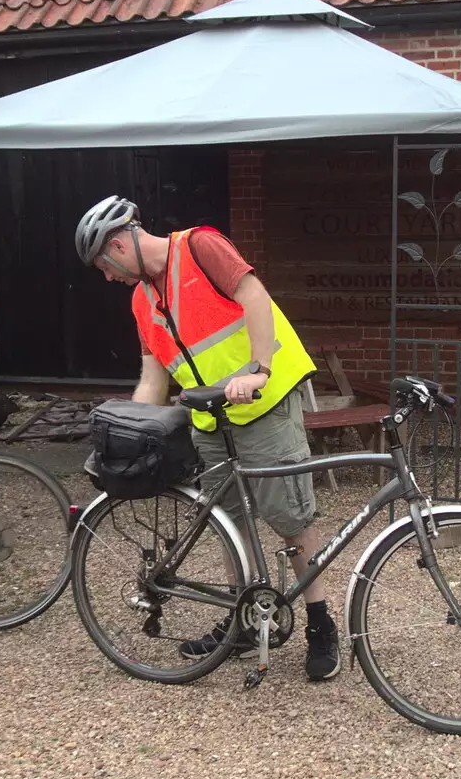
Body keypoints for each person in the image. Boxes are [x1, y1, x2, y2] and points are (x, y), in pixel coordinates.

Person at [74, 195, 341, 682]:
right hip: (210, 421)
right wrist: (130, 431)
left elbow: (255, 297)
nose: (108, 277)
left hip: (264, 403)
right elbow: (154, 379)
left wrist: (258, 368)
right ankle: (243, 622)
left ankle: (321, 624)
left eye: (104, 265)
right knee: (228, 523)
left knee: (291, 517)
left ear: (118, 243)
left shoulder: (200, 247)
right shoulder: (142, 300)